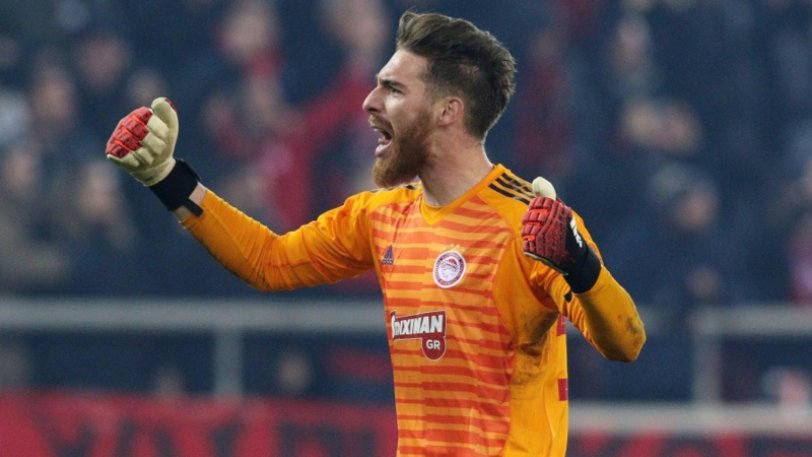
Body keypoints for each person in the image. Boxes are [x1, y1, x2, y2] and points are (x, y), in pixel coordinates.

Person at [104, 11, 645, 456]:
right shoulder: (380, 217)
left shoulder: (531, 222)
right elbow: (269, 260)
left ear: (447, 112)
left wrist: (580, 265)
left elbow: (624, 342)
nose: (369, 102)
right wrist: (168, 178)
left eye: (393, 90)